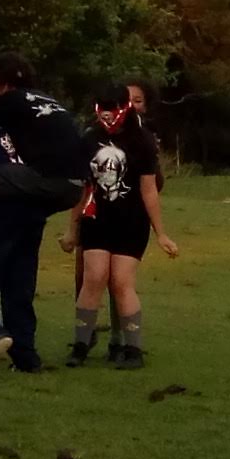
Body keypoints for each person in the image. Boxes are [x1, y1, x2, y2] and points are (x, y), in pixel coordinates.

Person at [0, 56, 92, 379]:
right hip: (52, 194)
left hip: (18, 197)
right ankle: (25, 356)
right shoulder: (43, 107)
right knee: (19, 277)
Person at [70, 80, 178, 366]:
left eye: (113, 108)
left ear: (125, 107)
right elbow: (83, 188)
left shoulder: (142, 141)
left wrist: (161, 233)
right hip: (96, 219)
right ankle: (80, 345)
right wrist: (72, 229)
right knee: (93, 278)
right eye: (103, 108)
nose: (107, 114)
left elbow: (149, 190)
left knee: (121, 281)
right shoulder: (89, 139)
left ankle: (132, 348)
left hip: (131, 222)